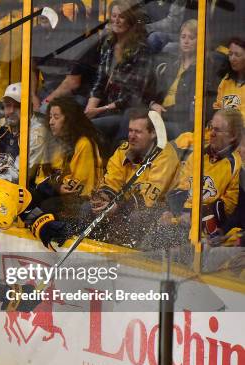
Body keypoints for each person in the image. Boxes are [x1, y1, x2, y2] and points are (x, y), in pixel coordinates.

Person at [85, 108, 180, 247]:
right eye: (130, 130)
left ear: (153, 133)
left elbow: (148, 199)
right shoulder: (123, 150)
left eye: (138, 132)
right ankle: (93, 254)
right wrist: (103, 198)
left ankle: (129, 257)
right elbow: (112, 181)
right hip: (125, 204)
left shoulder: (165, 155)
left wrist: (117, 207)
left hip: (161, 208)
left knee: (135, 217)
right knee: (88, 209)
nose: (131, 136)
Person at [161, 109, 243, 242]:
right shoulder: (197, 154)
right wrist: (171, 211)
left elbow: (228, 208)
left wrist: (194, 214)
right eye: (211, 128)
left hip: (207, 233)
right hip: (181, 222)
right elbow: (180, 187)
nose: (211, 133)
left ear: (232, 135)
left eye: (217, 130)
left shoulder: (235, 165)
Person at [84, 0, 152, 155]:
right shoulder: (109, 44)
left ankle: (110, 166)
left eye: (121, 17)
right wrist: (89, 109)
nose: (116, 20)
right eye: (113, 16)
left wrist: (99, 110)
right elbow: (100, 81)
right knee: (73, 114)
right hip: (105, 105)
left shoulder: (141, 49)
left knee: (89, 127)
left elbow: (134, 94)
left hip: (125, 110)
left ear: (130, 20)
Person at [33, 97, 103, 216]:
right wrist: (55, 186)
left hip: (81, 201)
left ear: (69, 120)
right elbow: (39, 180)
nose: (51, 122)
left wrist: (53, 185)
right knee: (27, 196)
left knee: (47, 206)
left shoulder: (84, 144)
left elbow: (75, 187)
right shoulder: (51, 143)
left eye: (56, 117)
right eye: (50, 117)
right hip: (54, 193)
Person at [148, 19, 197, 139]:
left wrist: (162, 113)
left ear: (199, 41)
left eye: (191, 38)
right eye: (183, 37)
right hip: (161, 113)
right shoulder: (172, 64)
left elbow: (188, 107)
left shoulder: (200, 69)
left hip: (179, 120)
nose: (186, 41)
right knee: (131, 115)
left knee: (144, 128)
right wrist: (153, 104)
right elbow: (154, 92)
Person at [213, 37, 245, 120]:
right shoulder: (226, 81)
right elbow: (218, 107)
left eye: (237, 55)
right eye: (230, 54)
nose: (232, 59)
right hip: (224, 129)